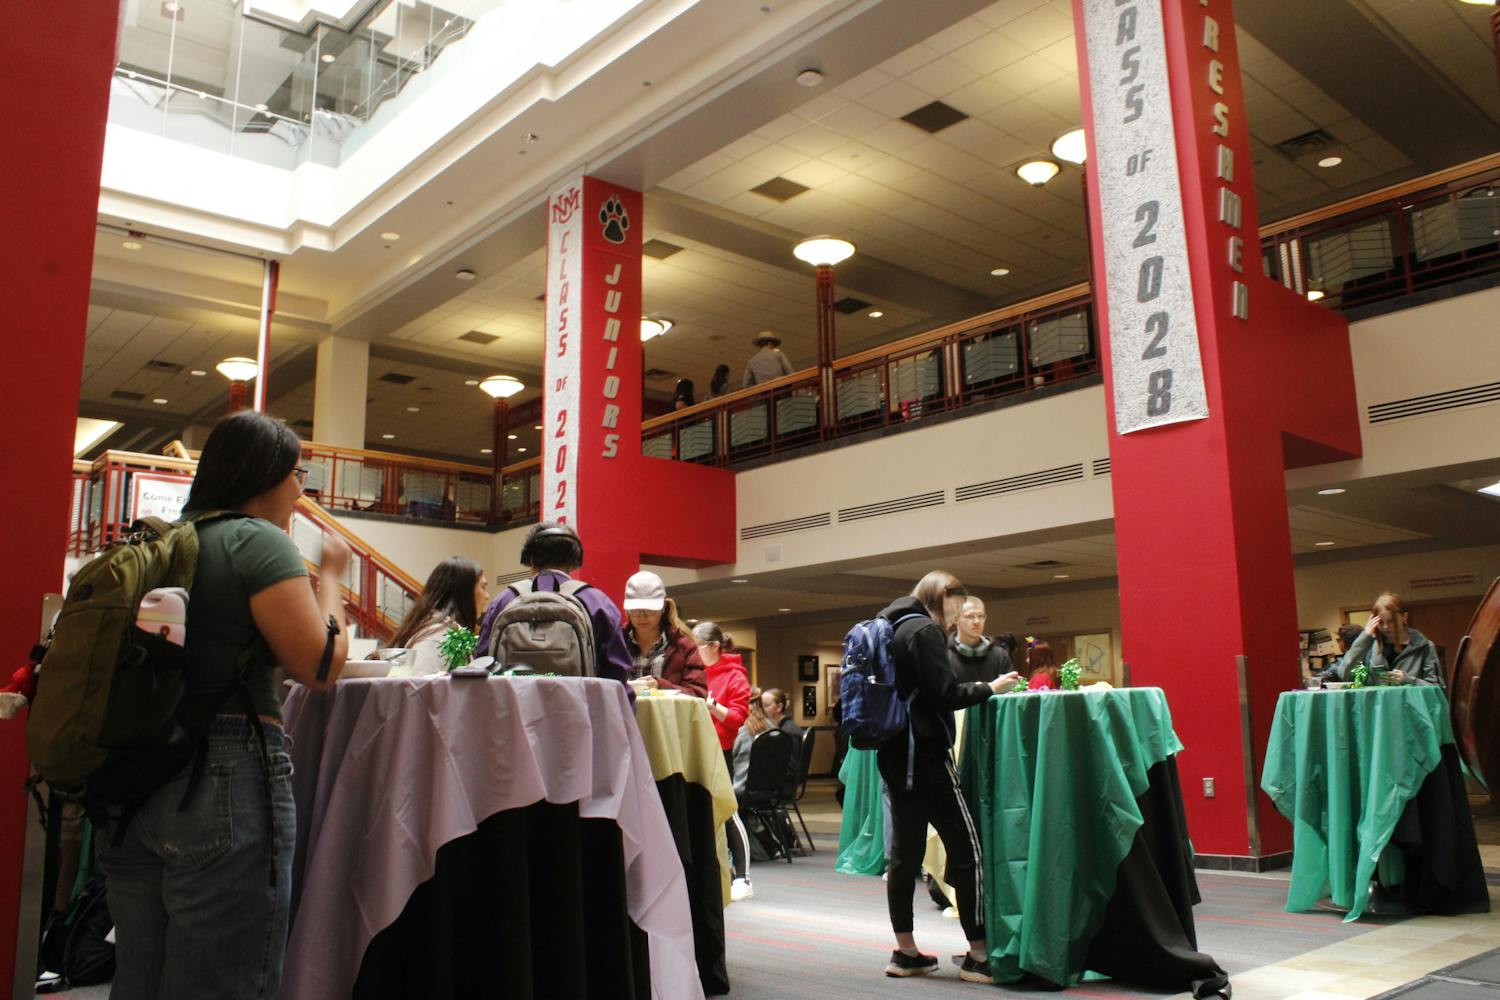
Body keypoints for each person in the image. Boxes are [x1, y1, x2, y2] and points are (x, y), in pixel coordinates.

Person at [100, 410, 351, 1000]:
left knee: (139, 977)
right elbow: (319, 666)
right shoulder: (256, 541)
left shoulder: (163, 541)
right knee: (223, 981)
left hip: (131, 775)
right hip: (225, 770)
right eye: (297, 475)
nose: (301, 492)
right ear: (267, 475)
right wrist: (332, 578)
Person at [875, 570, 1015, 983]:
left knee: (905, 855)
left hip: (894, 754)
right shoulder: (924, 630)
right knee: (967, 849)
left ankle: (905, 951)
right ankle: (979, 955)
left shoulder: (891, 625)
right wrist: (990, 688)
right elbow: (946, 694)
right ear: (943, 596)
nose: (959, 616)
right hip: (925, 757)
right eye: (958, 606)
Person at [476, 522, 633, 688]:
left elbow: (482, 664)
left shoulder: (503, 602)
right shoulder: (597, 604)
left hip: (510, 704)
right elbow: (617, 678)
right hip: (578, 704)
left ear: (530, 559)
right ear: (574, 561)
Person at [694, 621, 755, 900]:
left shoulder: (734, 676)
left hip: (721, 751)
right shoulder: (695, 673)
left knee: (728, 813)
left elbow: (737, 718)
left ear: (714, 646)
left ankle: (743, 877)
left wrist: (712, 706)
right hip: (697, 748)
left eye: (698, 647)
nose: (695, 652)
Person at [386, 557, 489, 675]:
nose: (487, 596)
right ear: (464, 591)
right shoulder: (439, 634)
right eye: (483, 587)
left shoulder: (444, 630)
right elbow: (421, 683)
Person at [621, 571, 708, 696]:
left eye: (649, 610)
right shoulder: (616, 644)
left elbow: (698, 694)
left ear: (663, 607)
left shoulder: (684, 646)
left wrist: (660, 686)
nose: (642, 616)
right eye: (634, 610)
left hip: (668, 710)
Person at [1335, 591, 1443, 686]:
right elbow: (1345, 675)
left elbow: (1437, 687)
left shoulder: (1425, 647)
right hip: (1379, 704)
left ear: (1404, 617)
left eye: (1391, 621)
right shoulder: (1368, 648)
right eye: (1381, 622)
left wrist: (1407, 680)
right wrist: (1365, 637)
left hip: (1411, 703)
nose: (1386, 627)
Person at [948, 596, 1015, 685]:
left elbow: (1010, 689)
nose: (976, 621)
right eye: (970, 616)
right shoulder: (943, 655)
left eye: (981, 616)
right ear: (956, 619)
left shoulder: (1000, 655)